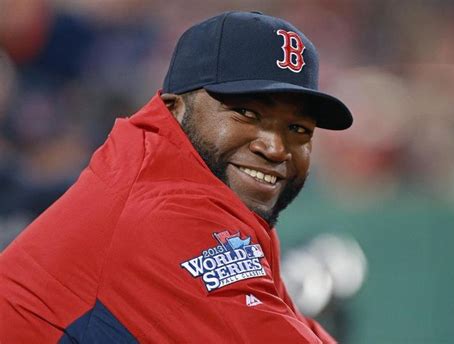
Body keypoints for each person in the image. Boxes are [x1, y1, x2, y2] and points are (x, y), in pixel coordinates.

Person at [0, 11, 352, 343]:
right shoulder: (163, 213)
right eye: (246, 112)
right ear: (174, 108)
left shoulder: (208, 195)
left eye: (297, 128)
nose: (276, 147)